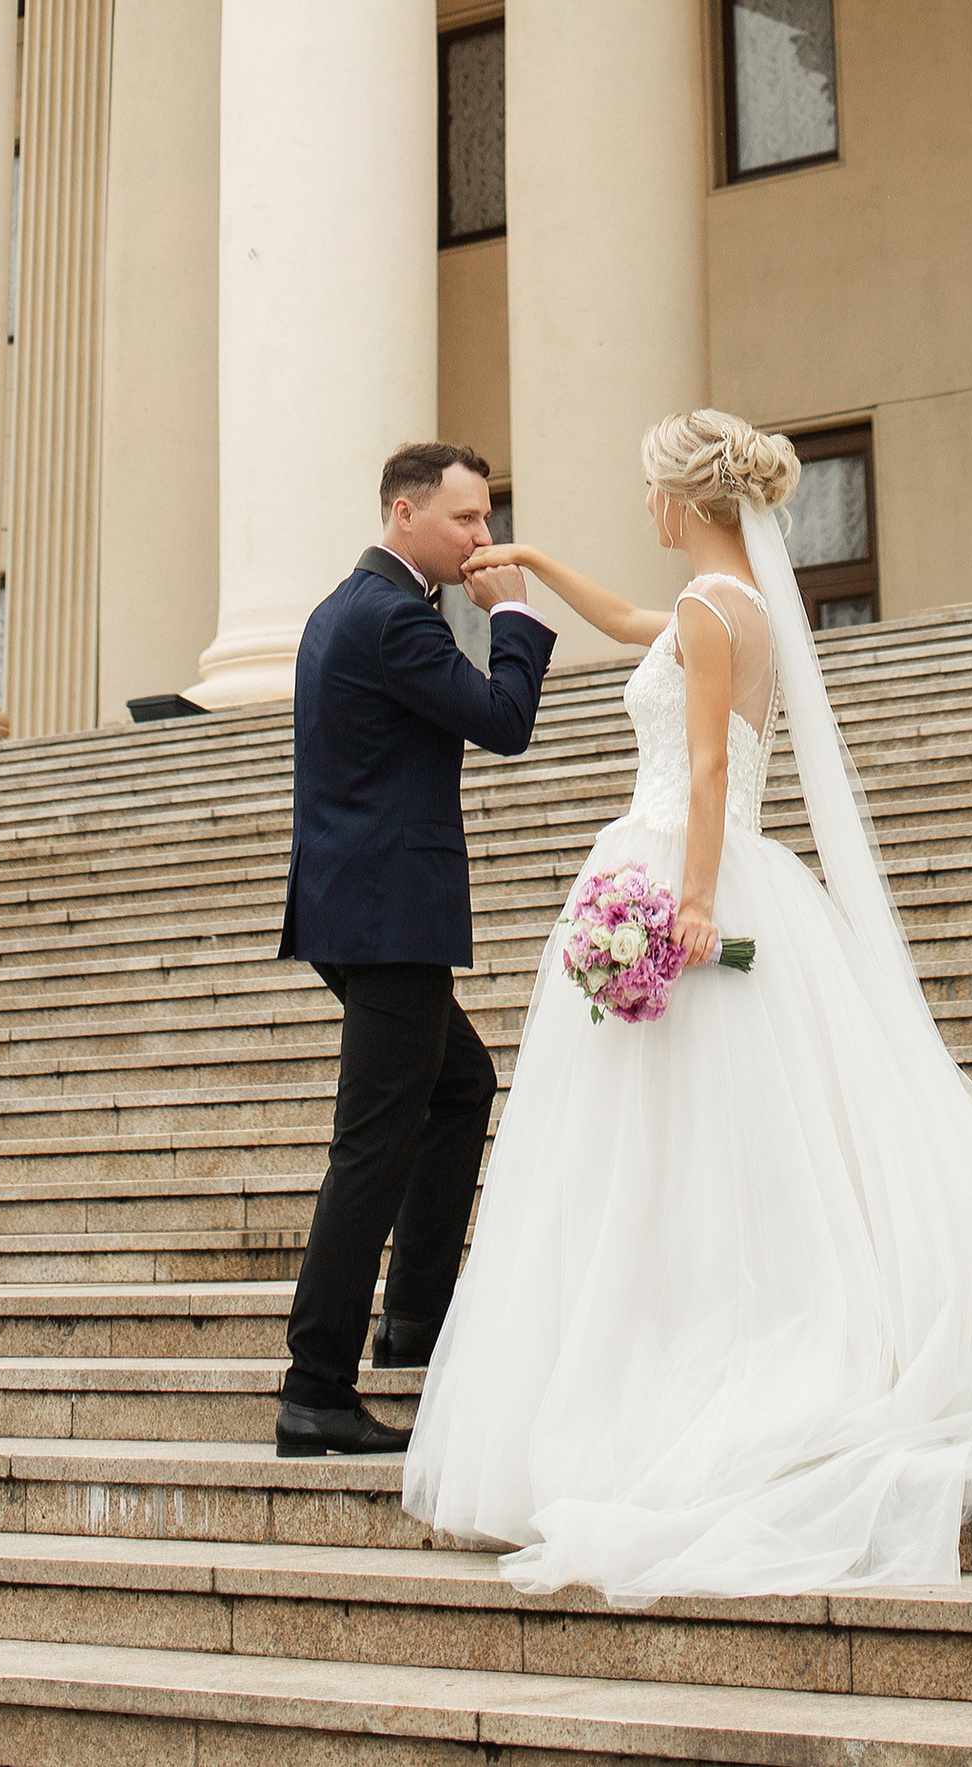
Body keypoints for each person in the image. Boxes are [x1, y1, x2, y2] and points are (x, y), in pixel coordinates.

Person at [402, 406, 972, 1594]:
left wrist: (682, 902)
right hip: (723, 870)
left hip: (683, 865)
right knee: (715, 1135)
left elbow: (715, 762)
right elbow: (638, 625)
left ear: (682, 503)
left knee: (666, 1143)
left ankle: (684, 1359)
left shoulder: (707, 610)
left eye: (646, 494)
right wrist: (534, 567)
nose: (643, 510)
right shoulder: (739, 607)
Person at [274, 437, 556, 1458]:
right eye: (466, 519)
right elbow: (502, 719)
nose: (484, 536)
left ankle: (415, 1325)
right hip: (387, 917)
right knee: (371, 1146)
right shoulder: (392, 616)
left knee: (460, 1085)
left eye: (486, 518)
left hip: (360, 909)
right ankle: (315, 1388)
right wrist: (515, 612)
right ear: (405, 514)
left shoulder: (350, 606)